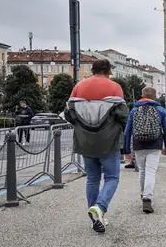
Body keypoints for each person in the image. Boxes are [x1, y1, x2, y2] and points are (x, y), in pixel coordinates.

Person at [63, 59, 129, 234]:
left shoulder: (79, 87)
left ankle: (95, 218)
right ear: (109, 71)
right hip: (109, 142)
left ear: (92, 70)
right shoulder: (115, 88)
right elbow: (123, 116)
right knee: (112, 177)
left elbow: (69, 114)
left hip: (86, 141)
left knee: (92, 179)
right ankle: (100, 207)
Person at [124, 87, 166, 214]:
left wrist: (127, 149)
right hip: (155, 143)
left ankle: (143, 193)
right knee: (151, 171)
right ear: (154, 97)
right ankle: (147, 197)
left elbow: (127, 130)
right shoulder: (160, 110)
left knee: (142, 171)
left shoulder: (134, 110)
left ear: (142, 95)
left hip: (139, 143)